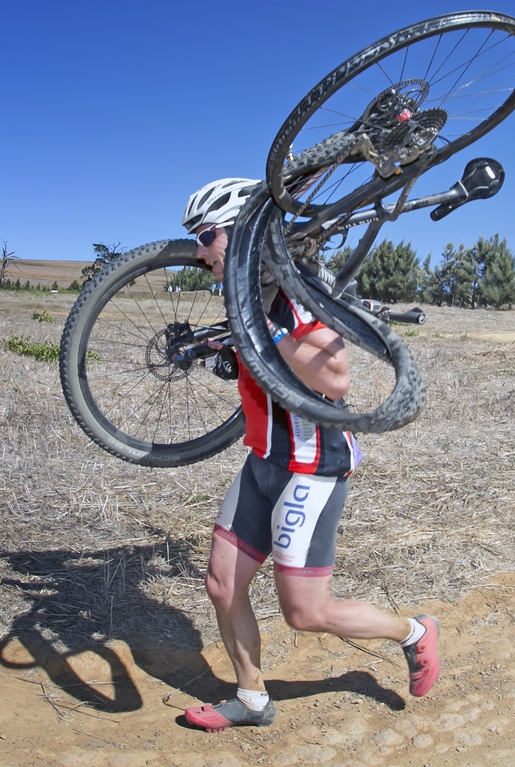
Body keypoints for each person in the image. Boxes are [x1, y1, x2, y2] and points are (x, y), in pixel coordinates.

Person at [178, 178, 440, 732]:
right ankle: (252, 700)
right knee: (222, 583)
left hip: (311, 466)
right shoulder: (246, 295)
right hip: (262, 460)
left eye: (207, 237)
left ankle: (413, 632)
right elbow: (268, 369)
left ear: (241, 231)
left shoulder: (296, 293)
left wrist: (256, 329)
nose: (200, 253)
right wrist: (224, 352)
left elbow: (336, 378)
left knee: (305, 613)